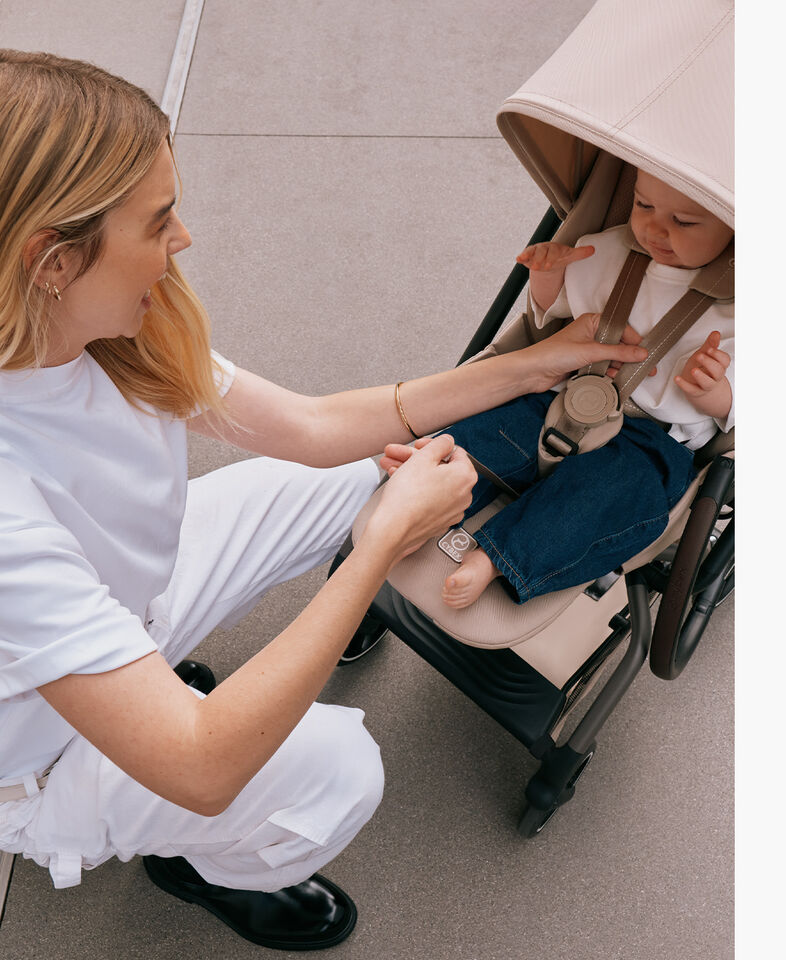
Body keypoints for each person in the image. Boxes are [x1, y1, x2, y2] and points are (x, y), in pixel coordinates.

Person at [0, 51, 650, 951]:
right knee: (339, 770)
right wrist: (381, 548)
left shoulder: (101, 330)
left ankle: (149, 692)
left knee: (353, 473)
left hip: (122, 607)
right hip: (38, 756)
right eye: (158, 221)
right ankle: (207, 862)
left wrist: (528, 366)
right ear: (52, 261)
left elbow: (309, 428)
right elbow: (199, 762)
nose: (182, 239)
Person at [382, 168, 734, 609]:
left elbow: (735, 409)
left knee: (609, 498)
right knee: (489, 431)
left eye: (683, 222)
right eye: (643, 205)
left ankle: (498, 558)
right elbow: (549, 316)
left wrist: (712, 391)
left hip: (651, 441)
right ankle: (420, 507)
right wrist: (547, 276)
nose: (655, 228)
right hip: (564, 395)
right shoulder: (609, 250)